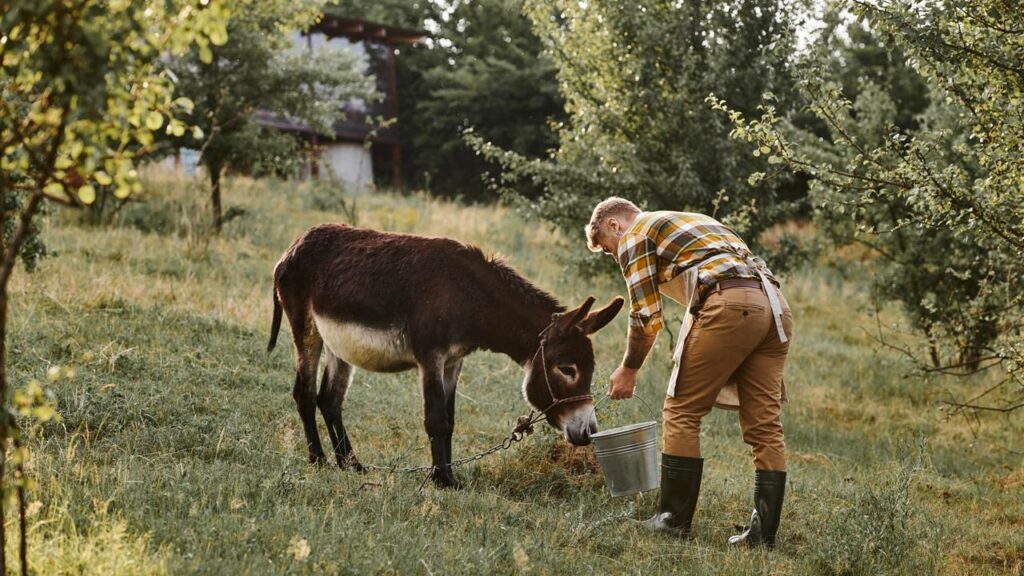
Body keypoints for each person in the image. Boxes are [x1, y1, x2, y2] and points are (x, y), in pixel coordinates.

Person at [586, 197, 794, 548]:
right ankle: (764, 535)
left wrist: (629, 369)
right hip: (775, 310)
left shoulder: (635, 233)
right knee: (764, 424)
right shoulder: (693, 220)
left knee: (681, 410)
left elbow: (645, 317)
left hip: (730, 304)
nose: (614, 256)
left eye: (608, 250)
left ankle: (672, 521)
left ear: (613, 225)